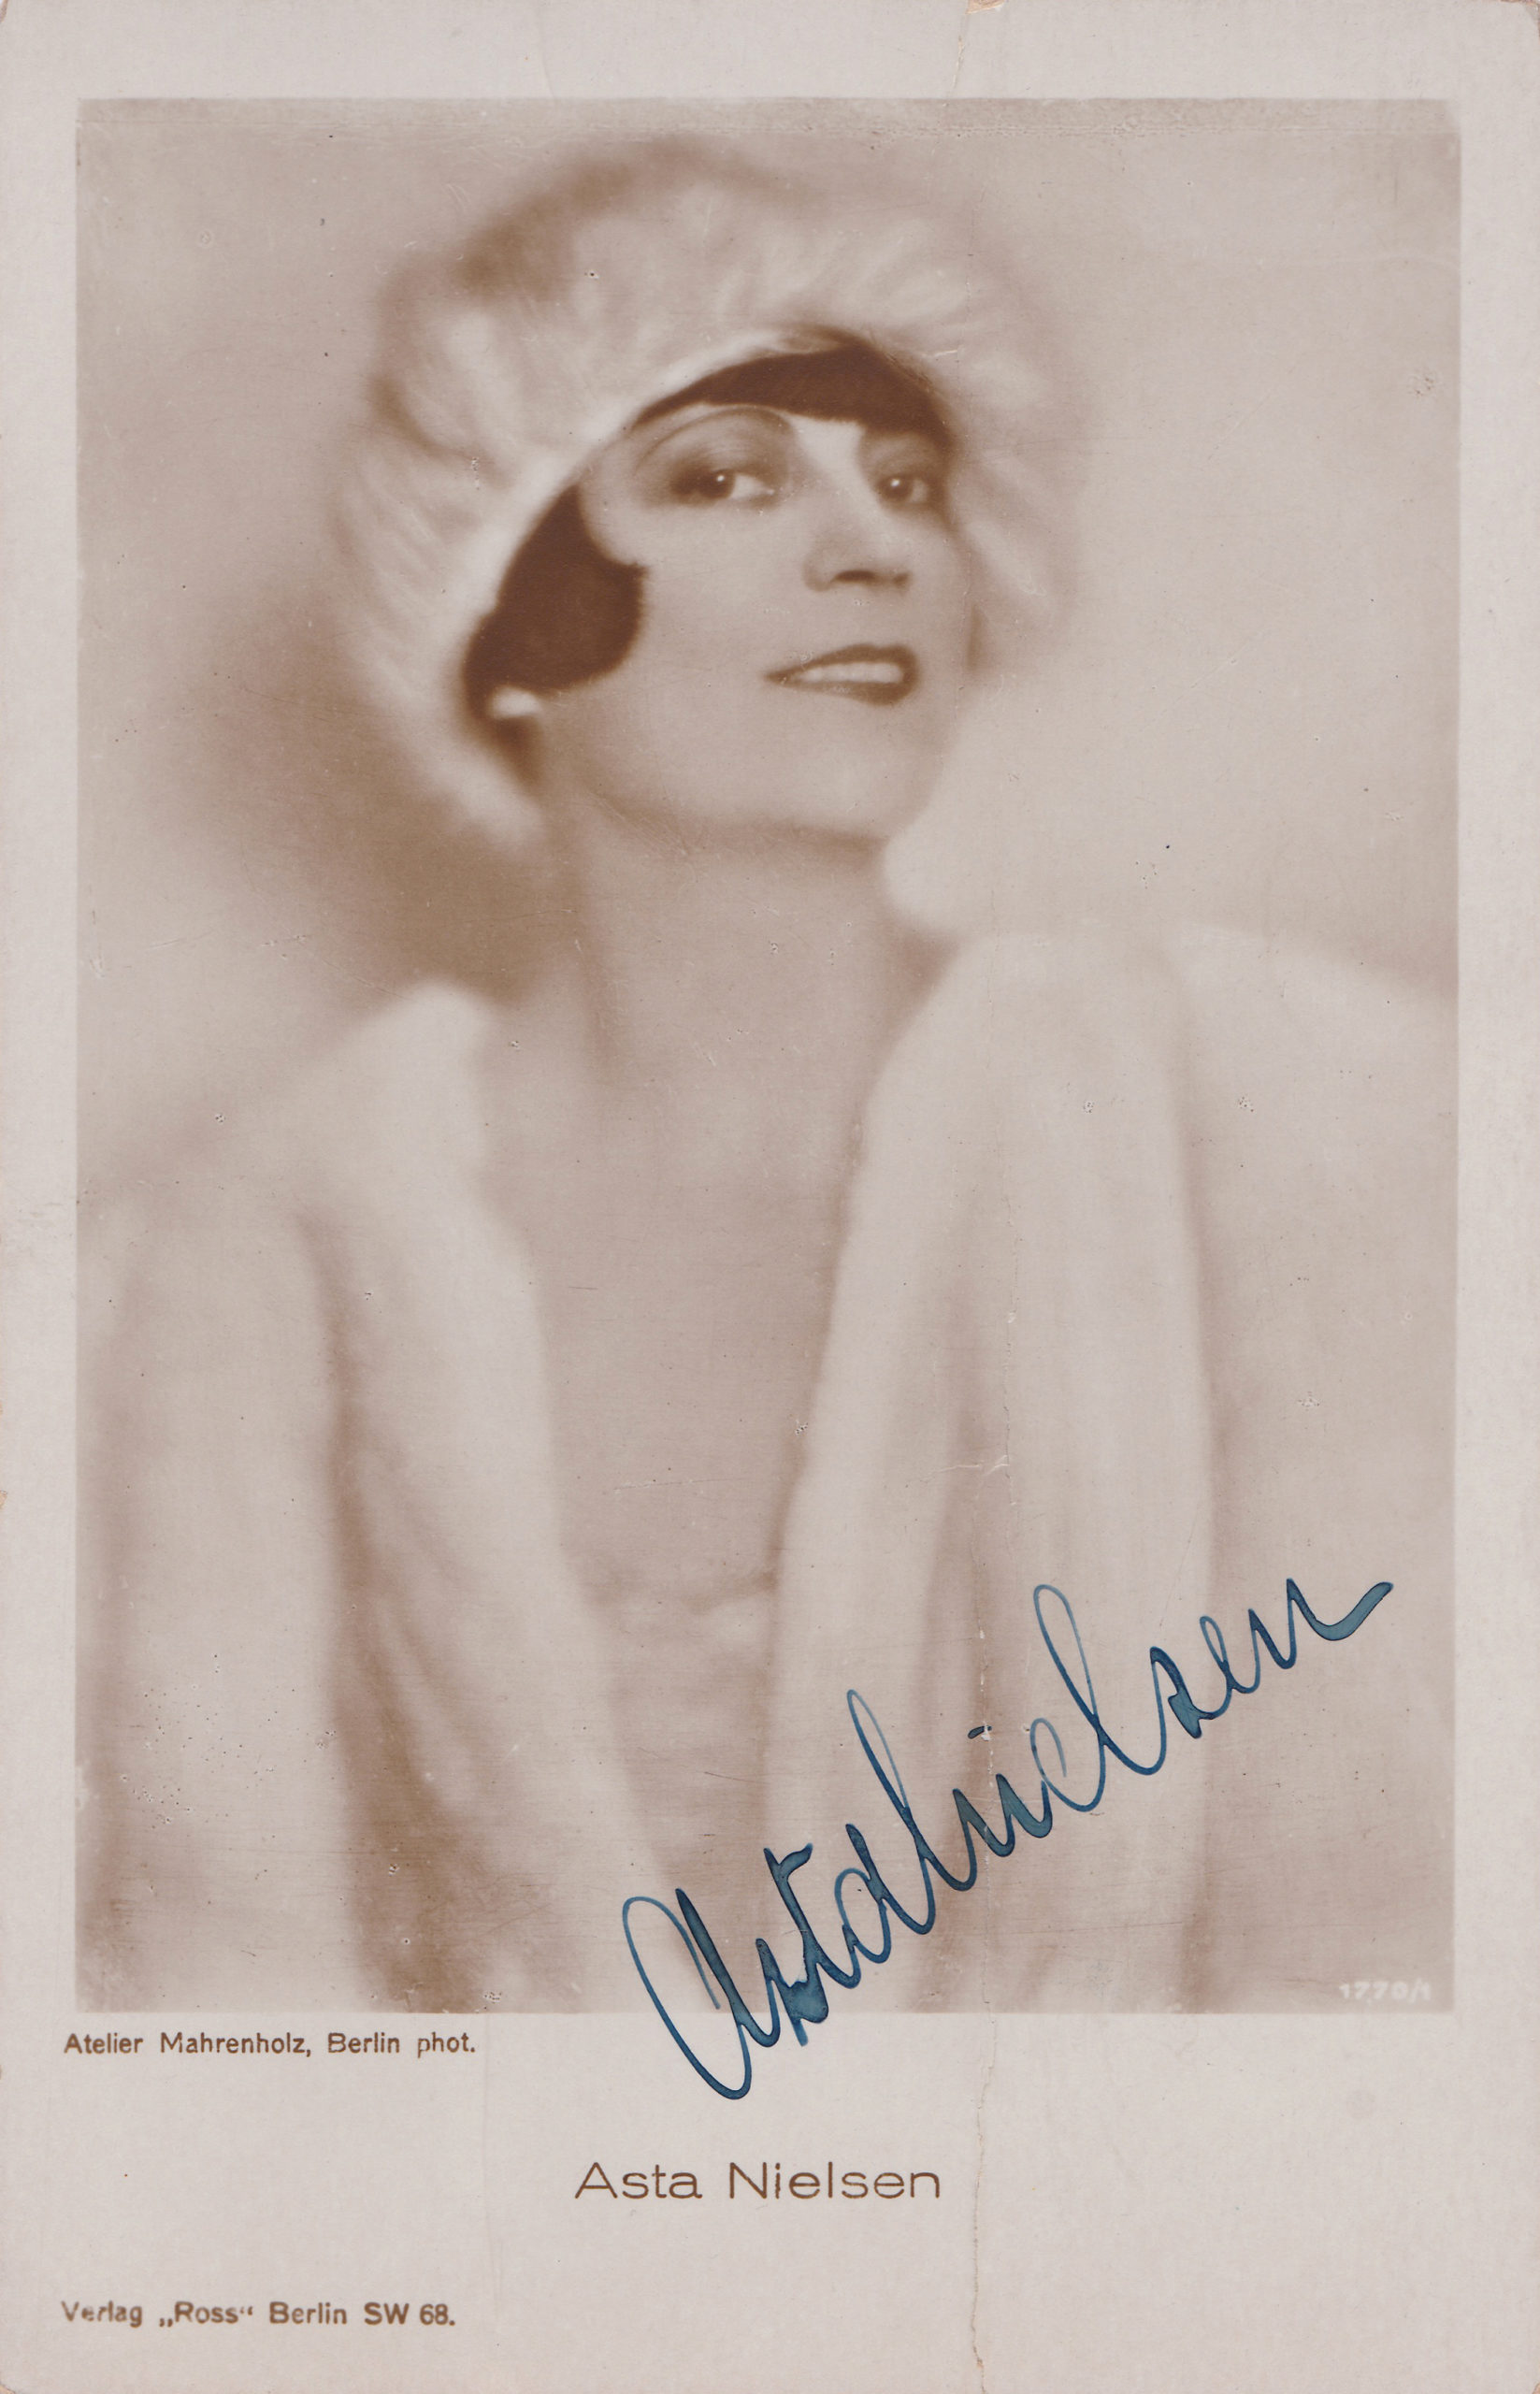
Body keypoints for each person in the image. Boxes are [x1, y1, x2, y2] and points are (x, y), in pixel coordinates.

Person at [79, 136, 1451, 2021]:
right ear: (503, 620)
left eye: (908, 483)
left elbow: (1391, 2010)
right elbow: (195, 2032)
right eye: (723, 474)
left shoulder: (1310, 1125)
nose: (870, 543)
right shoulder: (229, 1265)